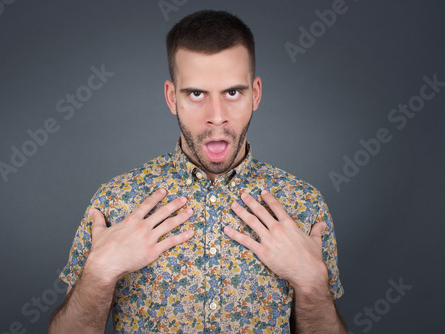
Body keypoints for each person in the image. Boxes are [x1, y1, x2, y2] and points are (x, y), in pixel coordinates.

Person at [49, 10, 346, 334]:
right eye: (196, 94)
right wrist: (98, 273)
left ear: (255, 94)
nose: (216, 116)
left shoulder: (303, 204)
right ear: (171, 97)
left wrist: (314, 284)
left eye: (233, 92)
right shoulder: (116, 201)